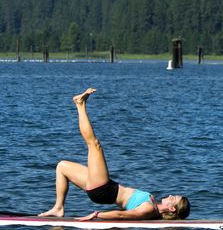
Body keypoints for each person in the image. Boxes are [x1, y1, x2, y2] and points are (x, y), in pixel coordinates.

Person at [38, 88, 190, 221]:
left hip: (104, 191)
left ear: (172, 209)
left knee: (94, 145)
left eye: (174, 198)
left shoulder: (150, 210)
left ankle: (80, 105)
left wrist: (97, 215)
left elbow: (122, 215)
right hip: (106, 187)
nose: (171, 195)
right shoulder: (154, 206)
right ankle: (58, 208)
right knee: (62, 167)